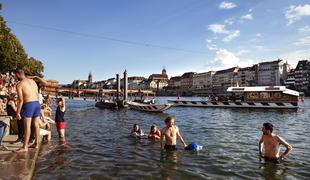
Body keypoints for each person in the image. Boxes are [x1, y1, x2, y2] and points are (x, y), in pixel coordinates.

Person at [14, 69, 47, 152]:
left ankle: (25, 147)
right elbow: (45, 83)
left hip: (28, 105)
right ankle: (36, 144)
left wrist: (17, 112)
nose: (15, 77)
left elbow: (20, 100)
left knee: (27, 127)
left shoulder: (19, 84)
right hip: (36, 104)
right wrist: (36, 77)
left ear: (18, 74)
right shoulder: (33, 81)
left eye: (15, 75)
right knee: (36, 125)